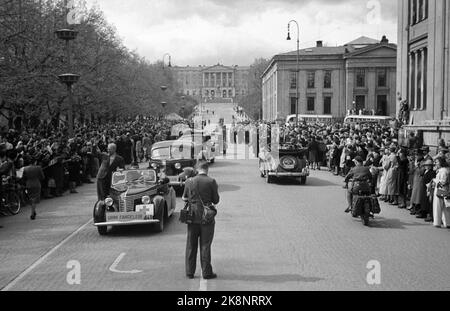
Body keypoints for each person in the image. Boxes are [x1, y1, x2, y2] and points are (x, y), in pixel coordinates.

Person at [182, 161, 220, 280]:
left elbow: (184, 197)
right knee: (205, 245)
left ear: (197, 169)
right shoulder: (211, 181)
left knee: (190, 245)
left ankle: (189, 272)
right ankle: (207, 272)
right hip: (206, 217)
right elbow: (216, 200)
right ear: (207, 169)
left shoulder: (189, 181)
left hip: (192, 217)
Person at [432, 157, 450, 228]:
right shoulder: (445, 170)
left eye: (437, 162)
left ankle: (437, 222)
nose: (435, 163)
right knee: (446, 207)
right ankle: (447, 222)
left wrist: (435, 180)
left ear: (441, 162)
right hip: (445, 190)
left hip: (440, 189)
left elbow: (443, 181)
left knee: (438, 206)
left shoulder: (443, 171)